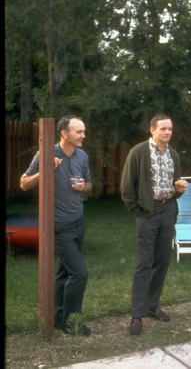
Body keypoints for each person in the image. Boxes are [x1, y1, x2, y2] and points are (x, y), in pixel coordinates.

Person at [20, 115, 93, 336]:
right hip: (59, 226)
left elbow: (90, 184)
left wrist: (84, 186)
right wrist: (46, 170)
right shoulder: (47, 154)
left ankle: (60, 319)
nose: (83, 135)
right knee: (80, 273)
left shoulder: (82, 155)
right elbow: (23, 183)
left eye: (83, 131)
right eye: (78, 132)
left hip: (78, 222)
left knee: (64, 273)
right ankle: (72, 324)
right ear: (64, 133)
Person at [120, 114, 188, 335]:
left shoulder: (174, 155)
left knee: (162, 260)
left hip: (168, 209)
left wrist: (178, 191)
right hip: (147, 213)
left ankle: (152, 305)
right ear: (152, 130)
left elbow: (174, 183)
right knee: (144, 263)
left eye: (170, 129)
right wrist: (139, 210)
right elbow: (127, 187)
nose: (167, 132)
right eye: (163, 129)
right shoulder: (138, 152)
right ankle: (136, 315)